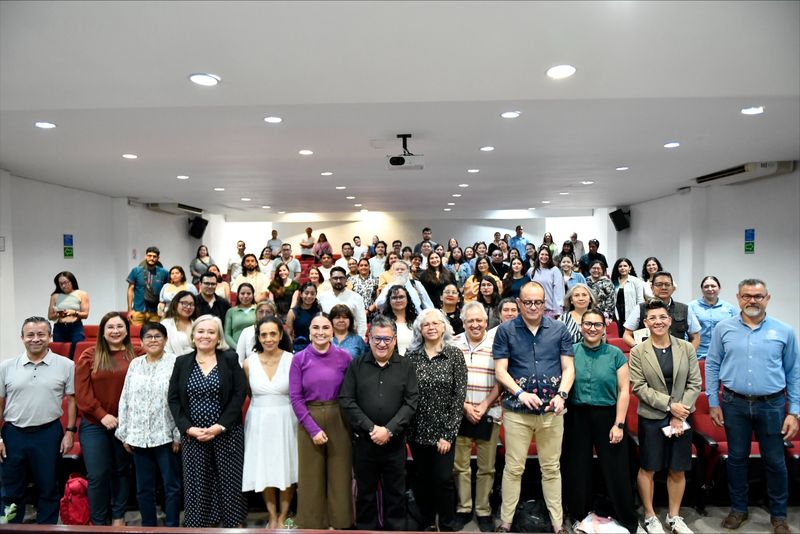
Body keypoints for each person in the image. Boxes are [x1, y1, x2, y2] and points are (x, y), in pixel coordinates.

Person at [705, 279, 799, 534]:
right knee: (737, 459)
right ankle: (739, 509)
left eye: (758, 296)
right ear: (738, 297)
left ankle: (779, 516)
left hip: (773, 405)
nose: (752, 301)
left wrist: (794, 412)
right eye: (747, 296)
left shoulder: (784, 331)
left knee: (775, 461)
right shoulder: (723, 329)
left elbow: (794, 372)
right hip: (733, 404)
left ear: (768, 298)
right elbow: (712, 365)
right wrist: (713, 402)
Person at [492, 281, 575, 534]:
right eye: (527, 302)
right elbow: (500, 371)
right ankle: (506, 523)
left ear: (545, 303)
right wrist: (520, 392)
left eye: (538, 302)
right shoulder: (505, 331)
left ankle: (558, 524)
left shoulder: (560, 330)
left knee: (551, 468)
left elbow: (568, 368)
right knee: (513, 468)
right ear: (518, 303)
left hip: (553, 411)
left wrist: (562, 394)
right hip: (518, 412)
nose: (533, 307)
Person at [339, 314, 420, 530]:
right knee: (365, 495)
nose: (382, 344)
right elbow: (346, 400)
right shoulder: (356, 365)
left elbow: (411, 402)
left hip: (395, 444)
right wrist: (372, 428)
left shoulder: (406, 366)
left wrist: (390, 430)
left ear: (394, 339)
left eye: (387, 339)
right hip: (364, 443)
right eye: (377, 339)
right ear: (369, 339)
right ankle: (366, 529)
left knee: (396, 494)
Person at [168, 314, 248, 527]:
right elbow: (173, 399)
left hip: (227, 432)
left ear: (218, 336)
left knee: (229, 482)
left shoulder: (229, 359)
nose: (205, 336)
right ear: (193, 335)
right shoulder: (182, 362)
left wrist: (219, 426)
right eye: (201, 331)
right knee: (197, 484)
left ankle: (232, 525)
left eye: (211, 332)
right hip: (193, 435)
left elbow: (240, 394)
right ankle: (199, 526)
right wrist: (188, 429)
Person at [629, 300, 701, 534]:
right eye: (653, 318)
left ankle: (674, 516)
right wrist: (671, 406)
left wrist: (681, 412)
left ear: (670, 320)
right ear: (645, 323)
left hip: (682, 416)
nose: (658, 321)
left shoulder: (686, 348)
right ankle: (650, 515)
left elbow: (695, 383)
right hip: (652, 416)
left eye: (662, 317)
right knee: (649, 467)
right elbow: (638, 387)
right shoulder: (638, 351)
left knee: (677, 468)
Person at [562, 310, 638, 533]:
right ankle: (578, 513)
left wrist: (619, 424)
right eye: (587, 324)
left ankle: (624, 515)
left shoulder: (615, 354)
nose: (592, 328)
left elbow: (624, 390)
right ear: (581, 326)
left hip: (607, 415)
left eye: (597, 324)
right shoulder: (571, 351)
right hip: (577, 415)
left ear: (605, 328)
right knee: (577, 467)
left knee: (615, 467)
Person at [0, 317, 76, 524]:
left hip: (48, 433)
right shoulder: (6, 366)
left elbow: (72, 400)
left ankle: (47, 529)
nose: (36, 339)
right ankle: (10, 528)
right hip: (13, 433)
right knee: (12, 489)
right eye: (30, 335)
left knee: (49, 488)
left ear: (50, 337)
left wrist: (70, 432)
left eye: (41, 334)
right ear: (22, 338)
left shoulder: (67, 365)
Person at [75, 312, 144, 525]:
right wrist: (102, 415)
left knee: (122, 471)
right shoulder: (89, 355)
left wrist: (125, 419)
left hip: (127, 425)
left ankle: (118, 516)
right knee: (97, 475)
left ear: (127, 329)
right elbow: (82, 393)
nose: (115, 331)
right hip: (95, 424)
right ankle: (98, 522)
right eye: (110, 327)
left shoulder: (139, 354)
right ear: (102, 332)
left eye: (119, 326)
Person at [289, 313, 354, 529]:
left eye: (325, 328)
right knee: (311, 475)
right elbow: (296, 398)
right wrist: (313, 429)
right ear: (309, 332)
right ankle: (312, 524)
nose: (320, 332)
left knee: (340, 472)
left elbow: (351, 392)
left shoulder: (344, 358)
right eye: (315, 328)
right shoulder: (299, 359)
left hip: (339, 417)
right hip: (310, 417)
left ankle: (341, 522)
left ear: (332, 331)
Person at [405, 308, 467, 532]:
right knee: (422, 479)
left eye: (435, 323)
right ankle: (428, 521)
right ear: (419, 330)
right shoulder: (410, 357)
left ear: (444, 327)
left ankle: (448, 523)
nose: (431, 327)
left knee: (442, 479)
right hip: (416, 430)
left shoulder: (454, 355)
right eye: (426, 324)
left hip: (443, 433)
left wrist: (448, 435)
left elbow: (459, 397)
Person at [115, 322, 181, 527]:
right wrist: (124, 433)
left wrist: (178, 433)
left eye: (158, 336)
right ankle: (148, 526)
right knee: (144, 487)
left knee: (172, 486)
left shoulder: (176, 363)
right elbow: (125, 398)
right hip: (139, 436)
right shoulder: (135, 364)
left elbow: (181, 400)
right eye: (148, 337)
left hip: (166, 435)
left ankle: (172, 527)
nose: (153, 340)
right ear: (141, 341)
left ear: (165, 340)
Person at [242, 316, 298, 529]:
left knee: (287, 468)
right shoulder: (249, 362)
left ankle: (284, 516)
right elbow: (249, 392)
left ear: (281, 335)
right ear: (258, 337)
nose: (268, 338)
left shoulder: (292, 360)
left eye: (273, 333)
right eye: (263, 334)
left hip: (286, 419)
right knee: (264, 468)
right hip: (259, 420)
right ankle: (272, 515)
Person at [451, 303, 501, 532]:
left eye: (479, 320)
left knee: (487, 467)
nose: (475, 324)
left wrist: (482, 405)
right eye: (470, 320)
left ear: (486, 321)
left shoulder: (496, 344)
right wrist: (465, 407)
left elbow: (502, 380)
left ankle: (483, 510)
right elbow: (448, 381)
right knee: (460, 466)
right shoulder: (453, 344)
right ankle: (463, 508)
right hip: (459, 413)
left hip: (488, 412)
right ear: (463, 323)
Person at [623, 271, 700, 350]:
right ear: (652, 288)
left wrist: (688, 356)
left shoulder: (684, 309)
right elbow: (627, 335)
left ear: (673, 288)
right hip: (648, 356)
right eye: (659, 285)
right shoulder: (640, 308)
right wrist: (638, 349)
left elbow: (695, 337)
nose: (663, 288)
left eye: (667, 284)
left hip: (677, 357)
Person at [688, 275, 737, 360]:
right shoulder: (691, 306)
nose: (710, 289)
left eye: (713, 286)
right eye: (706, 286)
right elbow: (686, 331)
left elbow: (736, 331)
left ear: (719, 288)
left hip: (723, 354)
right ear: (702, 289)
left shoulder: (730, 308)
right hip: (698, 354)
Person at [317, 266, 368, 338]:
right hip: (327, 339)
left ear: (346, 279)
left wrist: (360, 341)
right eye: (335, 278)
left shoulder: (356, 297)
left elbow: (361, 322)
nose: (338, 281)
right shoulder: (322, 297)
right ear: (330, 280)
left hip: (350, 338)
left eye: (341, 278)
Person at [127, 246, 169, 325]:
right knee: (136, 335)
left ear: (158, 258)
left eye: (154, 256)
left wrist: (164, 311)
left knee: (155, 335)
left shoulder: (164, 273)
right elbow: (130, 290)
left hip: (156, 313)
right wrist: (129, 310)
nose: (151, 258)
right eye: (149, 256)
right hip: (138, 311)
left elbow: (167, 291)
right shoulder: (136, 271)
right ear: (145, 256)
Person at [48, 271, 90, 348]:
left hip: (75, 327)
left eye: (66, 282)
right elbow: (50, 316)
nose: (63, 286)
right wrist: (58, 314)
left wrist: (73, 312)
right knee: (59, 352)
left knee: (77, 350)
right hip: (59, 328)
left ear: (72, 281)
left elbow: (85, 314)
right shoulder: (55, 296)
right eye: (60, 284)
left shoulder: (82, 294)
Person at [611, 257, 650, 336]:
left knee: (629, 335)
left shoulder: (636, 281)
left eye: (625, 266)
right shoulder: (614, 281)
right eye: (620, 266)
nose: (622, 268)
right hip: (617, 312)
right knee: (619, 335)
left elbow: (640, 300)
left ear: (630, 268)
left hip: (631, 312)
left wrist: (638, 315)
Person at [236, 300, 281, 365]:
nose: (264, 315)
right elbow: (239, 360)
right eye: (261, 312)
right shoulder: (246, 332)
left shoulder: (278, 332)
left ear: (274, 315)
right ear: (256, 314)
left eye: (268, 312)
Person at [381, 285, 418, 356]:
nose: (398, 300)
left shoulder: (416, 321)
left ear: (407, 300)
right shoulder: (382, 322)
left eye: (401, 297)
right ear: (389, 301)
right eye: (394, 298)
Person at [528, 246, 564, 319]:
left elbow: (559, 291)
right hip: (534, 309)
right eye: (542, 254)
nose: (544, 256)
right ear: (538, 255)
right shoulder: (531, 271)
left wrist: (558, 311)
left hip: (550, 311)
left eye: (546, 255)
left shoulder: (555, 270)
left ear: (550, 257)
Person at [161, 290, 198, 357]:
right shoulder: (166, 324)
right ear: (176, 304)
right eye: (184, 303)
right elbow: (163, 348)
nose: (188, 307)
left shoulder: (197, 325)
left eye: (191, 304)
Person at [286, 282, 321, 353]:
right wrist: (291, 349)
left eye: (312, 293)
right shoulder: (292, 312)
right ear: (301, 294)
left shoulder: (318, 310)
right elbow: (289, 333)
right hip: (298, 347)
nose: (309, 296)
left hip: (316, 347)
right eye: (306, 293)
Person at [224, 282, 256, 348]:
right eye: (242, 293)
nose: (245, 296)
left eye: (249, 293)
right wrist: (237, 348)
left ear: (253, 295)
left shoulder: (258, 309)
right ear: (238, 295)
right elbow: (227, 335)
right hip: (235, 348)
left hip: (255, 348)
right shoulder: (231, 311)